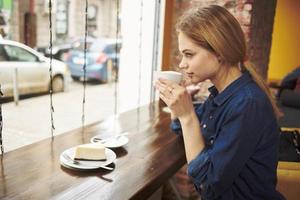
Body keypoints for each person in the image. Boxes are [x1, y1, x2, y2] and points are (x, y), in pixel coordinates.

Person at [155, 5, 285, 200]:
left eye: (189, 54)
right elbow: (187, 131)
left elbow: (207, 184)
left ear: (219, 52)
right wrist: (177, 106)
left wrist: (187, 116)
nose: (182, 64)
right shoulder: (221, 94)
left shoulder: (247, 104)